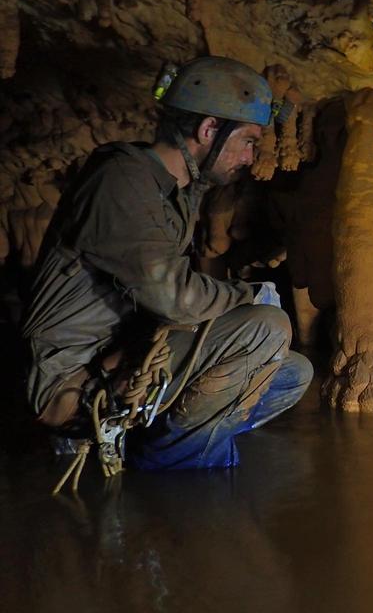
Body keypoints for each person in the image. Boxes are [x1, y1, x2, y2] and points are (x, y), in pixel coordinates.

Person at [21, 56, 312, 470]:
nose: (250, 156)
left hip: (127, 356)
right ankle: (182, 480)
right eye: (248, 140)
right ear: (209, 129)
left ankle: (157, 444)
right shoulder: (122, 182)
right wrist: (249, 294)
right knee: (266, 328)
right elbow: (174, 296)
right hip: (73, 379)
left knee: (291, 372)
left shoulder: (178, 191)